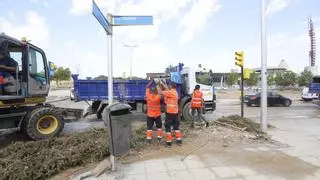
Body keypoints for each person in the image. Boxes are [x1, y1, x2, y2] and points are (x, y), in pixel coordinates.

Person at [159, 81, 182, 146]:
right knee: (176, 126)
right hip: (175, 112)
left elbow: (160, 92)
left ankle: (169, 142)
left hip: (170, 112)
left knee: (167, 126)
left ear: (171, 86)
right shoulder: (174, 92)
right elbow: (167, 90)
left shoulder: (170, 92)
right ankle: (179, 140)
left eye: (169, 85)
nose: (168, 86)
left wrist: (158, 84)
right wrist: (164, 84)